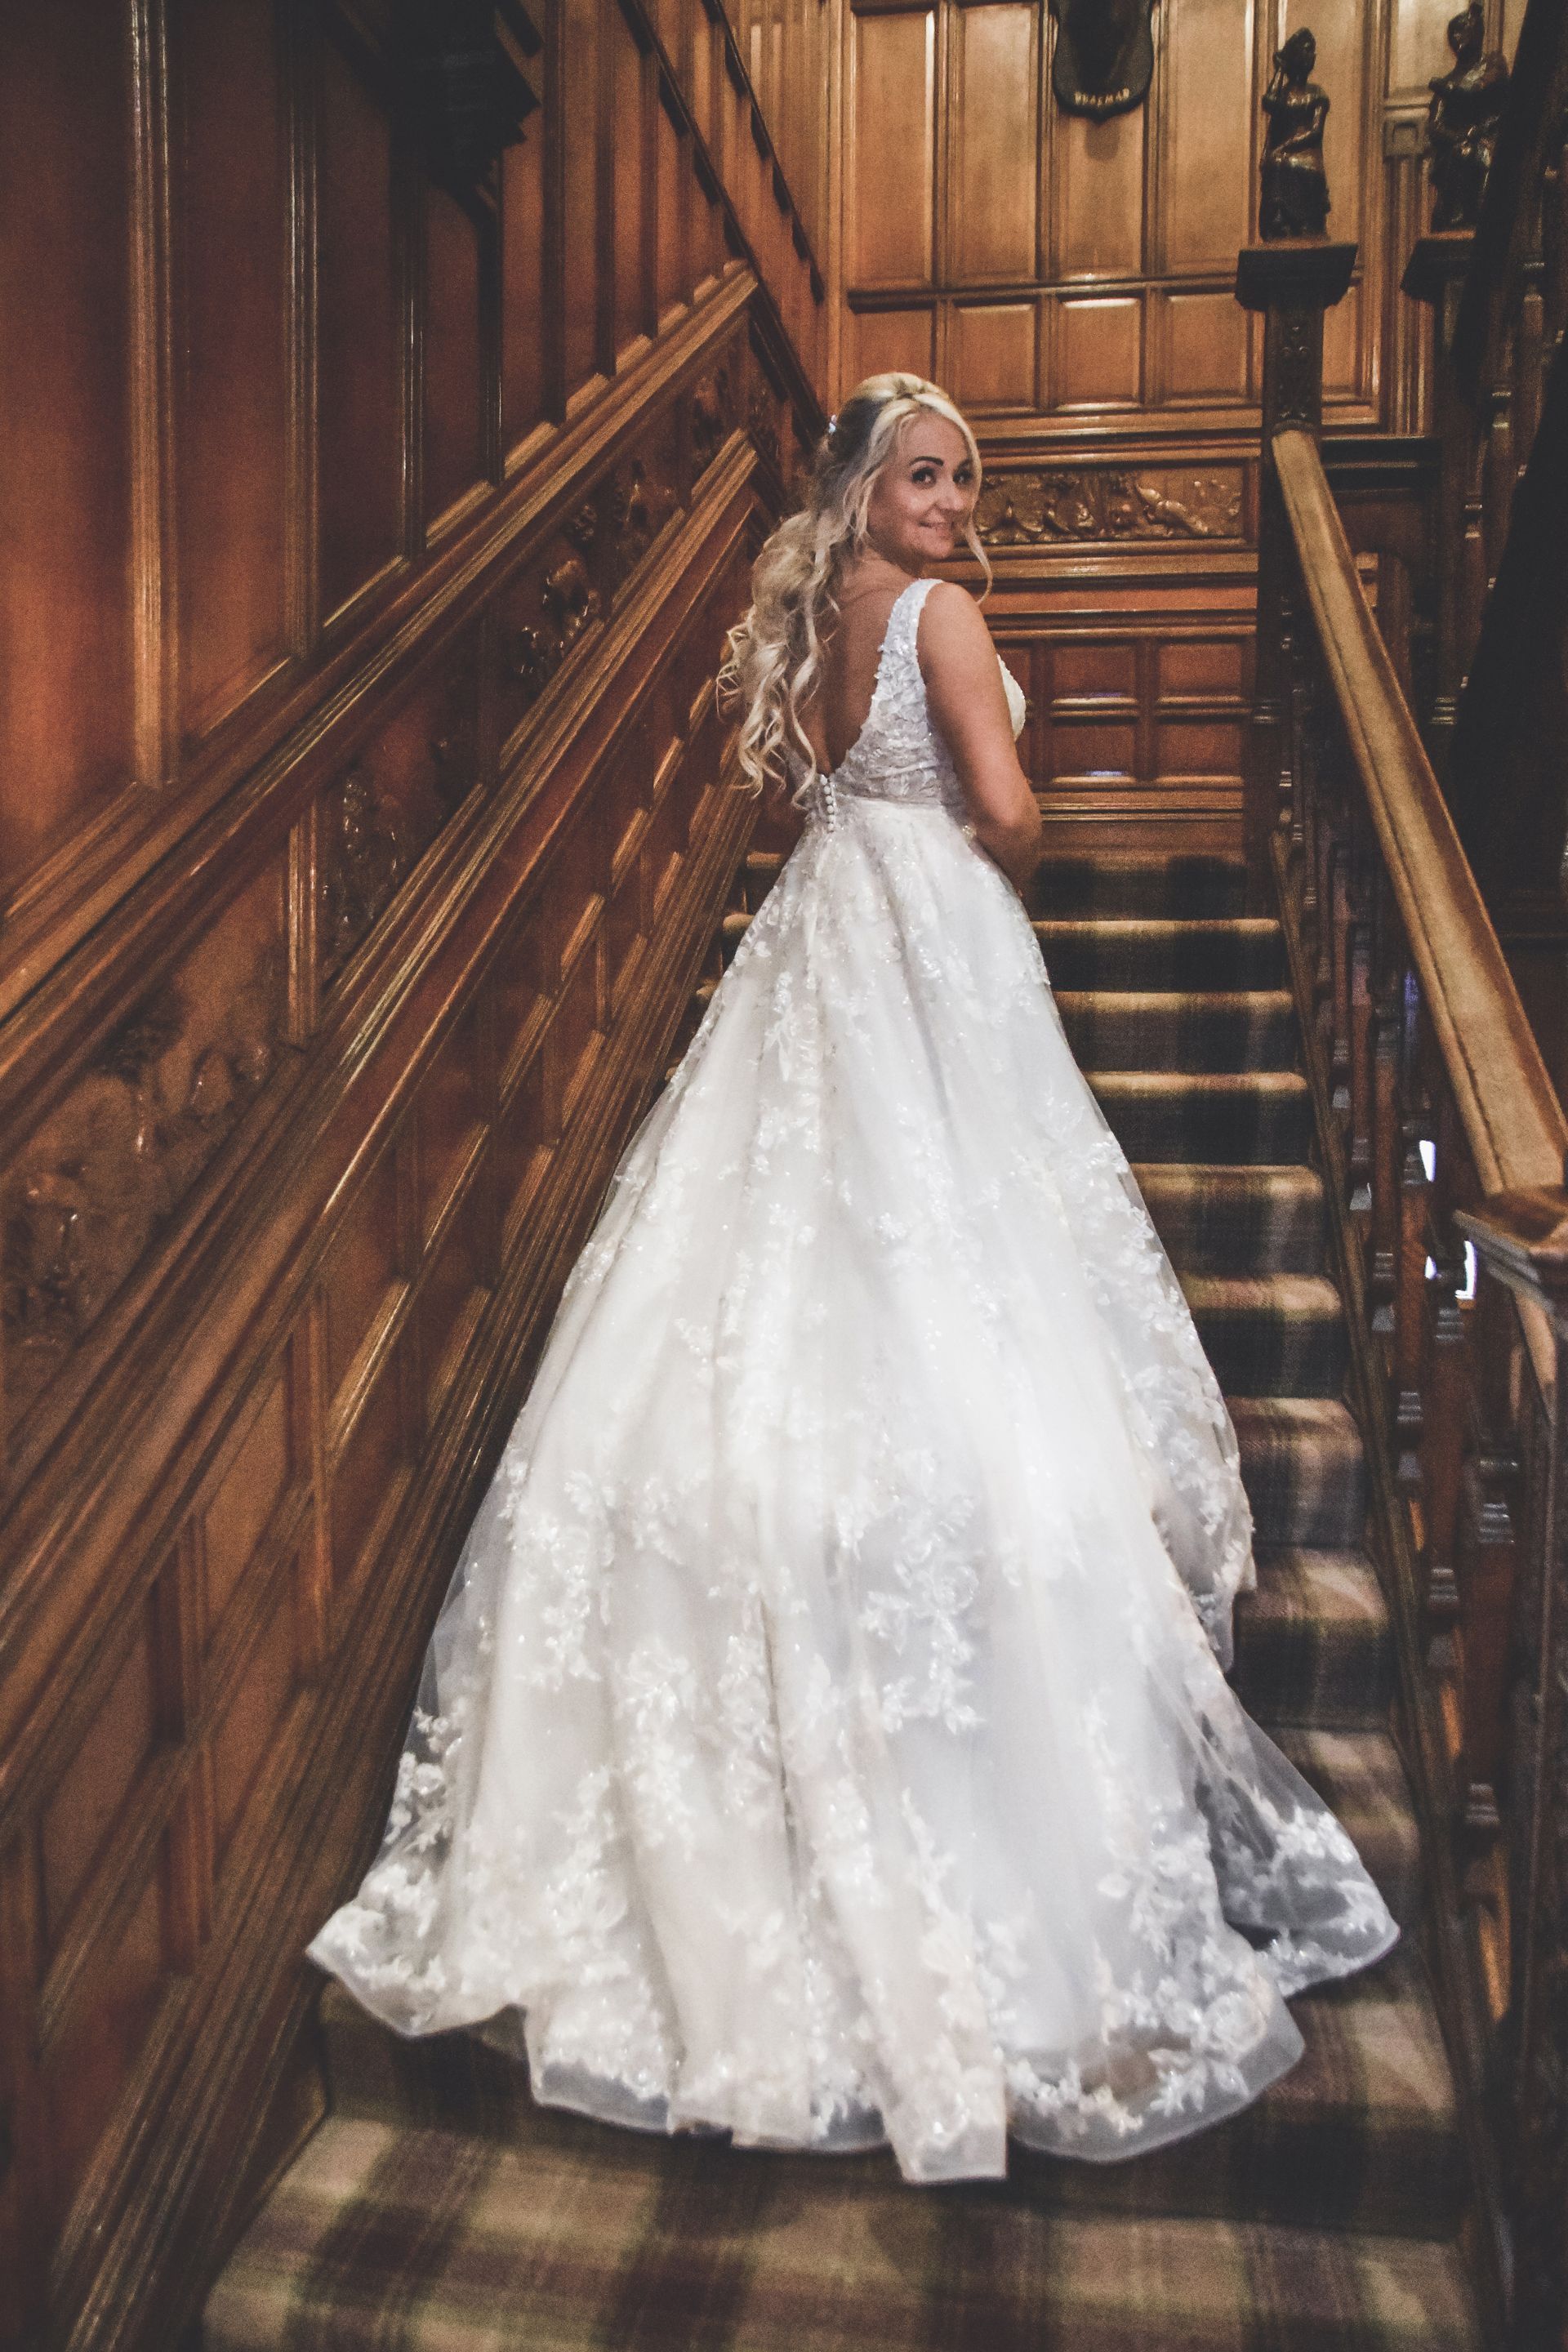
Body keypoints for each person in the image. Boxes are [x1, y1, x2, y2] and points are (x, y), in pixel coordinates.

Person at [309, 372, 1396, 2183]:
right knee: (963, 1251)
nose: (956, 502)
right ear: (868, 483)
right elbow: (1011, 811)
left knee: (781, 1245)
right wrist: (993, 854)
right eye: (927, 474)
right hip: (932, 933)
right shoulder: (947, 620)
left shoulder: (811, 618)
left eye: (967, 478)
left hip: (818, 932)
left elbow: (793, 801)